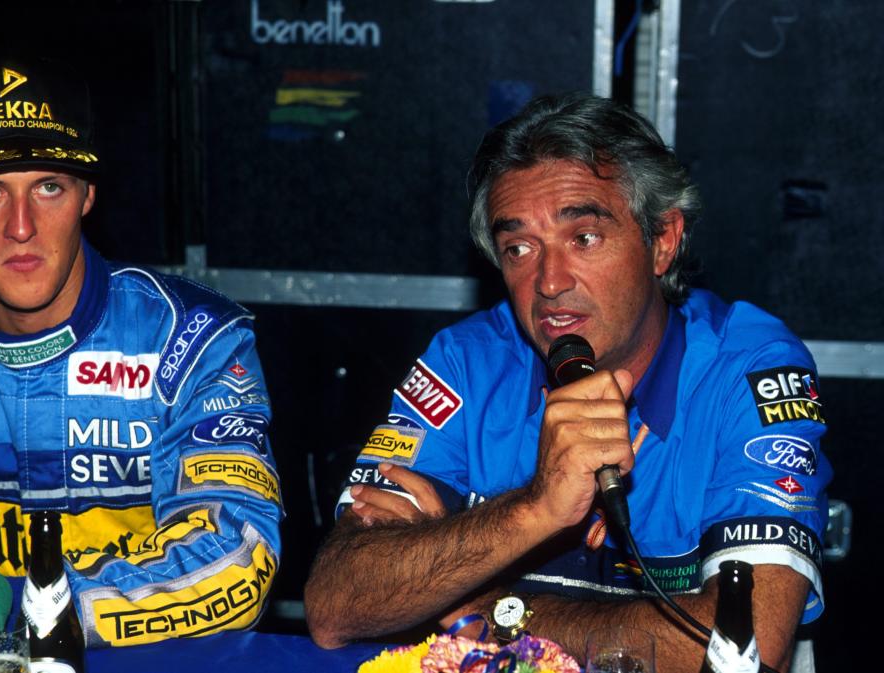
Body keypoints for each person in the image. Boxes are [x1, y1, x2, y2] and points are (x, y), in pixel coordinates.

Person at [305, 93, 830, 673]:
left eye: (583, 238)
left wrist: (487, 606)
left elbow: (747, 647)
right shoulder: (466, 364)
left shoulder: (748, 368)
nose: (549, 282)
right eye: (519, 248)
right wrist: (536, 507)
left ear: (662, 241)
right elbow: (336, 604)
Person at [0, 56, 282, 662]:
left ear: (88, 192)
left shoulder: (191, 341)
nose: (21, 226)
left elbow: (241, 563)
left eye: (48, 186)